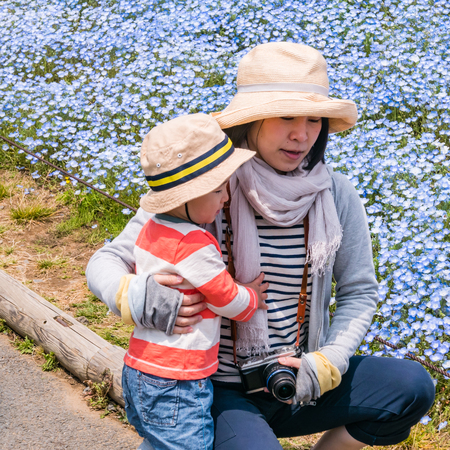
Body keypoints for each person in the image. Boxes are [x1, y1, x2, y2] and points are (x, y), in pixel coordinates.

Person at [87, 42, 435, 450]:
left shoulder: (334, 193)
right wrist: (133, 294)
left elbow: (359, 292)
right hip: (217, 391)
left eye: (314, 118)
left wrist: (325, 362)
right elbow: (106, 260)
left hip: (295, 380)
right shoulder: (205, 187)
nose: (302, 134)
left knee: (411, 386)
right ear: (250, 120)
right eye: (285, 116)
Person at [116, 113, 268, 450]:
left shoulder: (152, 228)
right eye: (217, 191)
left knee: (159, 444)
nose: (225, 198)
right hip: (178, 379)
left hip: (140, 367)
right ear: (184, 198)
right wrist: (252, 296)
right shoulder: (194, 244)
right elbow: (227, 301)